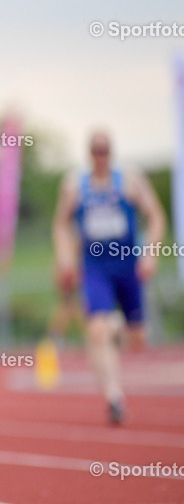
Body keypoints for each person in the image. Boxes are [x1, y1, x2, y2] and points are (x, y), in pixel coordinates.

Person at [52, 131, 165, 425]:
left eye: (105, 150)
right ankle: (115, 398)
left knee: (137, 338)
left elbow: (155, 216)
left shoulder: (129, 180)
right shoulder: (75, 185)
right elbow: (61, 224)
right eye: (95, 150)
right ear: (89, 153)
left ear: (111, 152)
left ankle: (116, 324)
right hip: (95, 266)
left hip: (128, 264)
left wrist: (151, 254)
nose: (100, 155)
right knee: (97, 331)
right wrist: (65, 258)